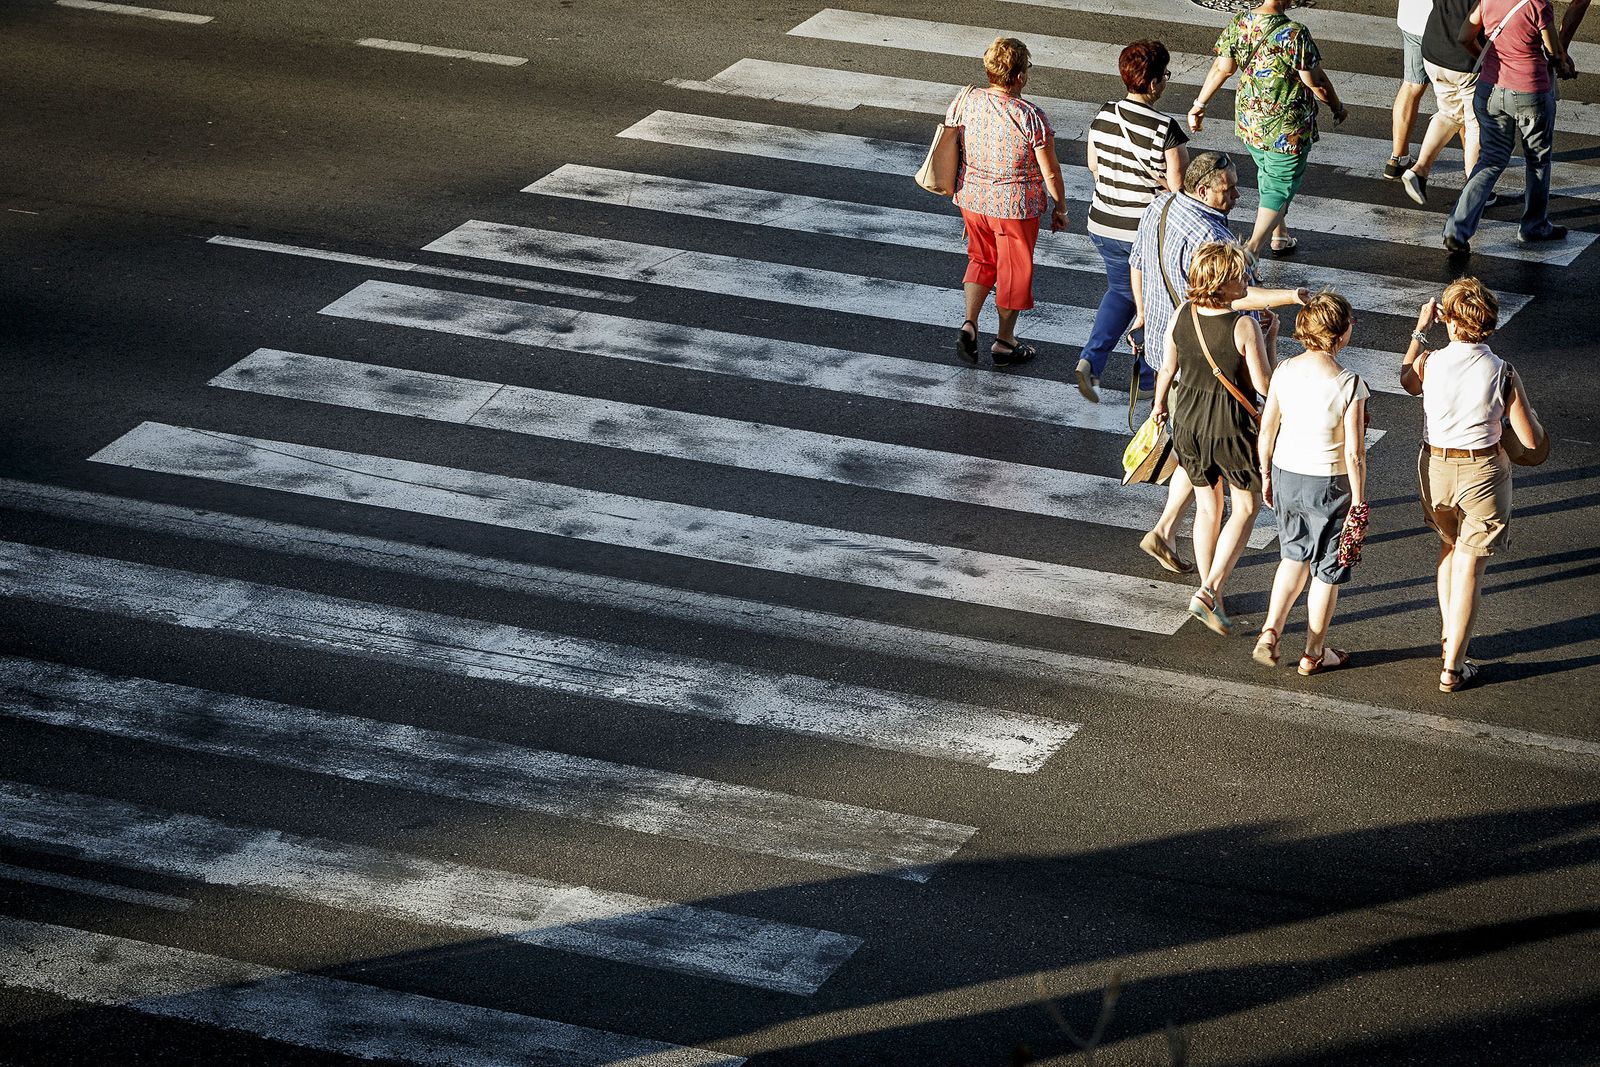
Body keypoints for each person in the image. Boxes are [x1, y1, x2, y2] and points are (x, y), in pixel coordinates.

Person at [1128, 152, 1307, 574]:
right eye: (1228, 188)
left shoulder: (1160, 203)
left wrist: (1141, 313)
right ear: (1203, 189)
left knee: (1194, 449)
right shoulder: (1209, 233)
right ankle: (1197, 569)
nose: (1238, 194)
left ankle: (1166, 529)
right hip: (1209, 345)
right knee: (1217, 460)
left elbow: (1135, 263)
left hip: (1167, 338)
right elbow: (1236, 297)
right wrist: (1291, 297)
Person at [1400, 278, 1545, 692]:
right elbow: (1530, 441)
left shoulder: (1429, 362)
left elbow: (1407, 380)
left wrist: (1419, 329)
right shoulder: (1502, 371)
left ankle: (1449, 638)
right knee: (1470, 567)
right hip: (1483, 473)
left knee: (1449, 548)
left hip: (1436, 469)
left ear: (1447, 319)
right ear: (1489, 325)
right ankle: (1453, 666)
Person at [1151, 241, 1275, 635]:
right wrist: (1271, 339)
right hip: (1230, 427)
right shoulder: (1243, 325)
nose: (1246, 281)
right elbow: (1264, 384)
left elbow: (1167, 367)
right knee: (1246, 507)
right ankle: (1209, 590)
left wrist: (1159, 408)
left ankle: (1213, 596)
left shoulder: (1181, 314)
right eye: (1240, 276)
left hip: (1187, 420)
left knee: (1208, 509)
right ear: (1223, 283)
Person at [1254, 290, 1369, 675]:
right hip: (1331, 481)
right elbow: (1355, 452)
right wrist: (1359, 499)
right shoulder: (1350, 383)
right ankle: (1314, 652)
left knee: (1293, 556)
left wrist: (1266, 474)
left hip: (1287, 473)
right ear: (1340, 334)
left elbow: (1267, 430)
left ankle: (1270, 631)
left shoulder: (1284, 370)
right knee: (1326, 570)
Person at [1188, 0, 1348, 257]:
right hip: (1286, 128)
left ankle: (1279, 235)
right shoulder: (1295, 33)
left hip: (1251, 123)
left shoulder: (1240, 22)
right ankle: (1251, 251)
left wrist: (1200, 103)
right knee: (1279, 185)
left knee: (1268, 173)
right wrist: (1337, 106)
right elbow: (1315, 80)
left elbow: (1223, 67)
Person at [1078, 39, 1190, 404]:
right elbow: (1179, 189)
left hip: (1102, 223)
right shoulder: (1166, 129)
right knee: (1154, 300)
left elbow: (1094, 166)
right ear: (1154, 83)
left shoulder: (1105, 113)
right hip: (1142, 233)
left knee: (1122, 292)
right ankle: (1146, 378)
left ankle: (1092, 363)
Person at [949, 37, 1069, 368]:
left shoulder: (966, 100)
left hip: (973, 199)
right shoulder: (1031, 116)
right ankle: (1004, 342)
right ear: (1017, 77)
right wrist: (1060, 207)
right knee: (1014, 270)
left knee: (981, 258)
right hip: (1015, 208)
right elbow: (1051, 171)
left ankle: (969, 324)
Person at [1443, 0, 1573, 252]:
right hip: (1530, 91)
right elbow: (1554, 52)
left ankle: (1456, 230)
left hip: (1489, 90)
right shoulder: (1538, 4)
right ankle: (1533, 225)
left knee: (1490, 159)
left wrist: (1485, 60)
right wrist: (1563, 64)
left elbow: (1464, 36)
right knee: (1537, 159)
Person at [1400, 0, 1488, 203]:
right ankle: (1473, 191)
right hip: (1466, 57)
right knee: (1475, 123)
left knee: (1449, 114)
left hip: (1434, 48)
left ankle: (1419, 170)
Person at [1387, 0, 1437, 180]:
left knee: (1411, 85)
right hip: (1445, 23)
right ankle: (1472, 171)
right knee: (1460, 97)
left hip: (1412, 19)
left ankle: (1398, 159)